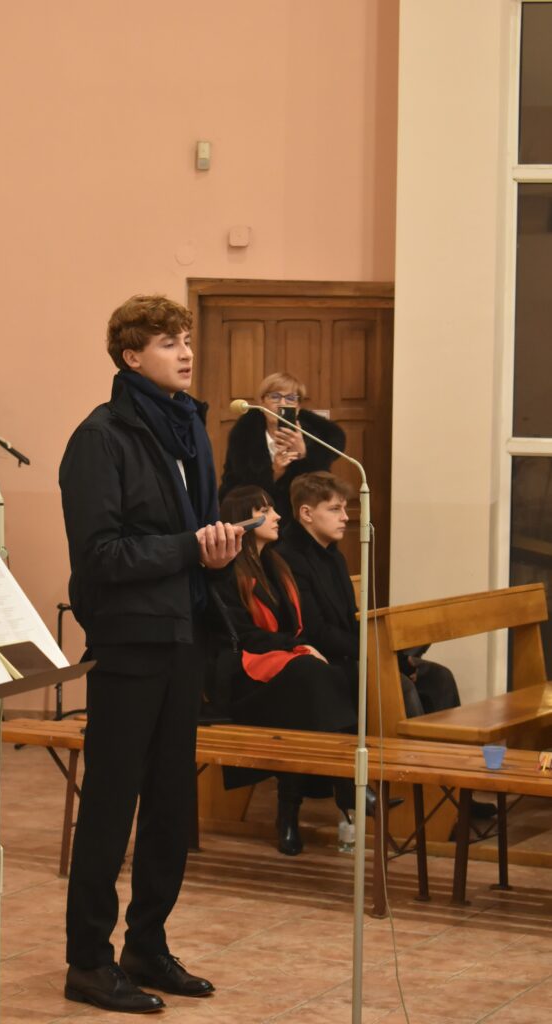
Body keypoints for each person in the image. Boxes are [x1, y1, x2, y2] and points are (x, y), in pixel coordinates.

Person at [59, 294, 243, 1014]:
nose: (186, 351)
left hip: (185, 634)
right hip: (130, 641)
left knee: (170, 807)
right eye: (169, 342)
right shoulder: (99, 438)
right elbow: (100, 556)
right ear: (131, 357)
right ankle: (87, 961)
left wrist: (219, 550)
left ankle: (146, 944)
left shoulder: (189, 427)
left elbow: (196, 535)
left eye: (186, 338)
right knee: (110, 807)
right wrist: (190, 548)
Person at [278, 471, 495, 819]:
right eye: (335, 509)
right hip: (322, 665)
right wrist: (380, 657)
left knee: (439, 678)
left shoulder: (333, 555)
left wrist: (392, 655)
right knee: (399, 687)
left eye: (345, 508)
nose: (346, 517)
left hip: (351, 653)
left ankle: (454, 792)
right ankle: (414, 797)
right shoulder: (288, 557)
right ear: (306, 513)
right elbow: (316, 631)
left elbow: (352, 619)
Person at [210, 484, 391, 857]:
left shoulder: (277, 565)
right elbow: (243, 636)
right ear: (243, 520)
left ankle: (291, 812)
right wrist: (297, 648)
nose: (277, 516)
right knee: (308, 674)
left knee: (333, 680)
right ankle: (347, 786)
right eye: (265, 511)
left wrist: (299, 647)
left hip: (285, 671)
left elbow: (297, 626)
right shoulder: (228, 570)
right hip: (246, 677)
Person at [218, 371, 346, 522]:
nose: (282, 404)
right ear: (262, 402)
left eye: (291, 398)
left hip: (302, 518)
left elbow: (319, 487)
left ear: (298, 406)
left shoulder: (314, 434)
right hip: (258, 516)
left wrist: (304, 454)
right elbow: (238, 485)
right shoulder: (244, 434)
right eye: (275, 397)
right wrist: (275, 472)